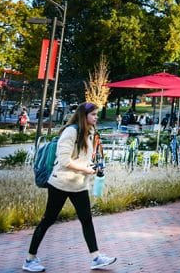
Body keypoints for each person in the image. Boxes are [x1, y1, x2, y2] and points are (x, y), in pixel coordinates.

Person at [22, 102, 116, 272]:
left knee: (86, 220)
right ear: (84, 115)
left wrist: (94, 167)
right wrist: (86, 169)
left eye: (96, 114)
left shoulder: (90, 131)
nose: (96, 117)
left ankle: (96, 258)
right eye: (93, 115)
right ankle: (29, 259)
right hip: (60, 183)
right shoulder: (71, 131)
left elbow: (83, 157)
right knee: (48, 220)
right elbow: (65, 161)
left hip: (78, 184)